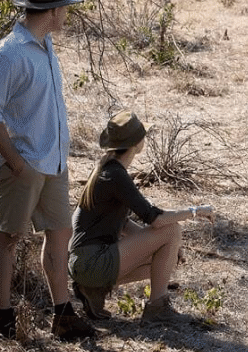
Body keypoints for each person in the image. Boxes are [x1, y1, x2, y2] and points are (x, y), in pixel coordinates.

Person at [0, 0, 95, 341]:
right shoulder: (10, 53)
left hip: (53, 162)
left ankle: (62, 315)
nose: (67, 16)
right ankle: (3, 317)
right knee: (9, 236)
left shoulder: (44, 45)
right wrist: (15, 162)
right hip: (24, 163)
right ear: (53, 10)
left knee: (60, 232)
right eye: (66, 9)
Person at [68, 110, 214, 323]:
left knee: (165, 258)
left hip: (84, 263)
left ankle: (93, 290)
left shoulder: (108, 168)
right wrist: (196, 211)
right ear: (136, 144)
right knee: (172, 229)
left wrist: (167, 245)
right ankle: (157, 308)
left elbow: (124, 224)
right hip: (92, 262)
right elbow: (156, 219)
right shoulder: (115, 174)